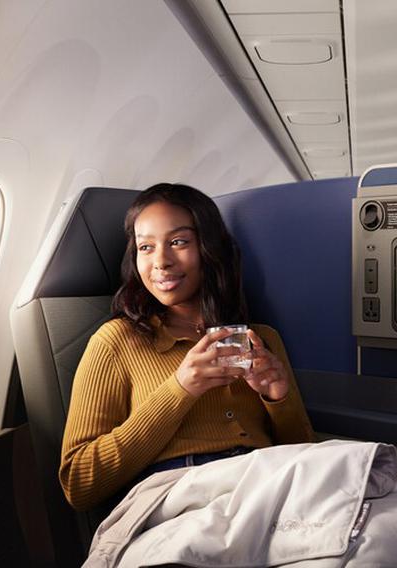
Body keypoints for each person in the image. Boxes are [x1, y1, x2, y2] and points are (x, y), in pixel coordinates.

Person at [59, 183, 314, 511]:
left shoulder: (262, 338)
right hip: (181, 498)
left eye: (178, 242)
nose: (161, 262)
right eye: (146, 247)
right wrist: (181, 389)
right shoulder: (116, 342)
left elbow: (303, 456)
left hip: (265, 486)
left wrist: (277, 397)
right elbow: (79, 484)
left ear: (209, 248)